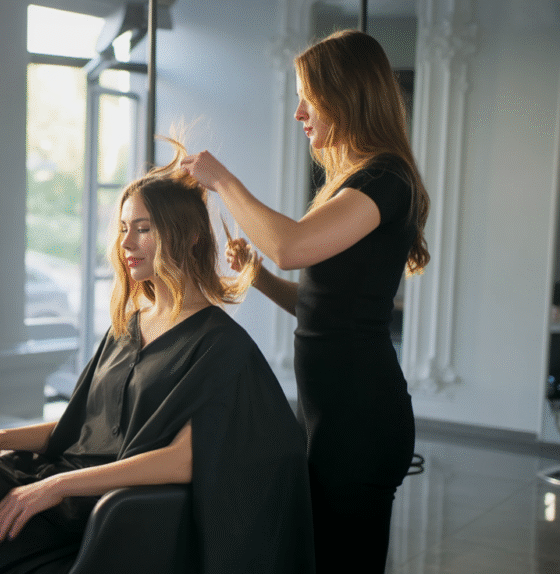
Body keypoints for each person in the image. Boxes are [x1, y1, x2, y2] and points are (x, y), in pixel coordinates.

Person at [0, 142, 315, 574]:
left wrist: (55, 487)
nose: (126, 242)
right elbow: (86, 424)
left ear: (190, 235)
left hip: (101, 506)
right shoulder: (127, 326)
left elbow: (184, 458)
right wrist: (1, 438)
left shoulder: (221, 346)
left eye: (143, 229)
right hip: (63, 480)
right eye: (124, 227)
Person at [181, 29, 431, 572]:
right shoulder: (358, 183)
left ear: (345, 96)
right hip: (333, 415)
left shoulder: (384, 179)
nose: (299, 113)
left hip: (361, 419)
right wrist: (261, 278)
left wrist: (220, 178)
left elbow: (290, 246)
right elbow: (328, 307)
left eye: (307, 96)